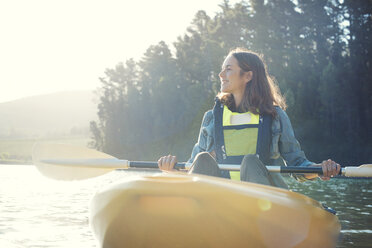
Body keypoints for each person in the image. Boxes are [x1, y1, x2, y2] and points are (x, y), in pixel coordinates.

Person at [158, 48, 341, 188]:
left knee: (251, 161)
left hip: (264, 198)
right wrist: (172, 169)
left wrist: (319, 169)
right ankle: (193, 218)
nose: (221, 75)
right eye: (222, 69)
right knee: (203, 158)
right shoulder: (212, 118)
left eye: (228, 69)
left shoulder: (275, 116)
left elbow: (297, 165)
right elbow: (192, 165)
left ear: (248, 76)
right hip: (223, 196)